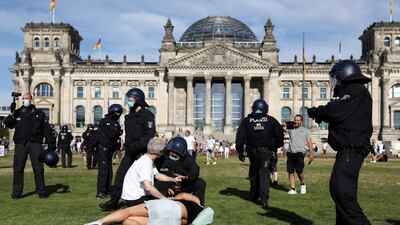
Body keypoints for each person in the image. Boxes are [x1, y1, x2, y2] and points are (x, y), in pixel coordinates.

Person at [307, 59, 372, 225]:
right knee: (344, 192)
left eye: (335, 78)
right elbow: (339, 110)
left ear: (343, 75)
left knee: (340, 191)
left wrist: (316, 111)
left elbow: (335, 109)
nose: (334, 83)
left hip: (351, 148)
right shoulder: (355, 92)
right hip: (349, 149)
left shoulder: (355, 90)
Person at [100, 88, 156, 211]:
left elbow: (148, 136)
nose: (128, 101)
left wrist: (136, 147)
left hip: (142, 152)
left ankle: (150, 201)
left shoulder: (147, 115)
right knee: (120, 175)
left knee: (145, 178)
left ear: (137, 100)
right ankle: (114, 201)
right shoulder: (129, 115)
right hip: (130, 152)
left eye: (130, 99)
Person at [4, 93, 56, 199]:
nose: (25, 100)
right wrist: (11, 113)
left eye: (27, 98)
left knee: (38, 168)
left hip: (35, 143)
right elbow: (9, 124)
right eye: (23, 99)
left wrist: (51, 145)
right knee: (18, 168)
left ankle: (41, 191)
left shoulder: (39, 113)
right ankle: (17, 192)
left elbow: (46, 129)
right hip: (21, 143)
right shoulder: (17, 112)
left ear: (31, 99)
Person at [235, 99, 284, 208]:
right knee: (265, 174)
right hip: (267, 151)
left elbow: (240, 137)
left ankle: (254, 194)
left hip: (253, 151)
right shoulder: (271, 120)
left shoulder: (247, 121)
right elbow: (280, 135)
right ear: (265, 109)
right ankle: (264, 198)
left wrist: (240, 151)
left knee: (254, 172)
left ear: (253, 108)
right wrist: (276, 146)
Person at [121, 138, 182, 207]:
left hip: (136, 196)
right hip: (135, 199)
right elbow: (148, 187)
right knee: (165, 208)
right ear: (160, 152)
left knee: (162, 186)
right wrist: (164, 199)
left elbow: (157, 175)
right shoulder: (145, 163)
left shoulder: (147, 159)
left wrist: (173, 179)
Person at [85, 192, 206, 225]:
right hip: (175, 221)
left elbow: (183, 195)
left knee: (129, 212)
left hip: (172, 207)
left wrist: (172, 197)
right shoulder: (197, 214)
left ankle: (99, 222)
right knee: (129, 220)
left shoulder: (197, 201)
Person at [155, 136, 207, 206]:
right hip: (167, 187)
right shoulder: (161, 158)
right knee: (159, 184)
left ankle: (199, 206)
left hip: (182, 187)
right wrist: (166, 186)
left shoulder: (188, 159)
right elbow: (154, 174)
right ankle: (158, 205)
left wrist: (185, 177)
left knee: (200, 182)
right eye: (172, 151)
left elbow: (195, 172)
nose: (174, 154)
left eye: (177, 153)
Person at [95, 104, 124, 199]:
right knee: (103, 170)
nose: (118, 115)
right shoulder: (105, 121)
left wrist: (118, 133)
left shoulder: (115, 122)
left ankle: (107, 188)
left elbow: (118, 132)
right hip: (103, 148)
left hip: (110, 149)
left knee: (109, 170)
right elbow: (113, 133)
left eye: (119, 113)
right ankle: (101, 191)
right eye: (116, 113)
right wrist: (118, 132)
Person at [286, 115, 315, 195]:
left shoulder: (306, 130)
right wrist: (284, 125)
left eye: (298, 120)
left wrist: (311, 153)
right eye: (295, 120)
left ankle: (303, 184)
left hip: (300, 153)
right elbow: (282, 129)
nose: (296, 122)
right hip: (290, 152)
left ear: (301, 121)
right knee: (290, 171)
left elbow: (309, 142)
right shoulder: (290, 129)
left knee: (299, 171)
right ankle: (293, 189)